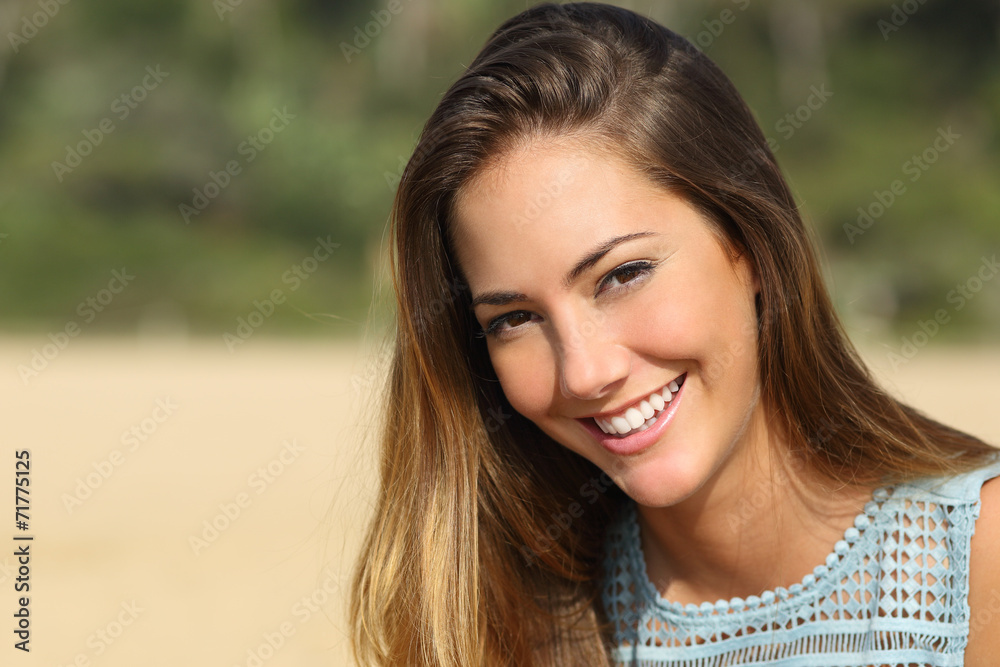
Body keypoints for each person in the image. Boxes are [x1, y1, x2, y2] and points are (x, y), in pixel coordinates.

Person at [349, 3, 1000, 665]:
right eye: (512, 318)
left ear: (748, 243)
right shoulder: (504, 623)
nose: (584, 372)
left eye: (622, 274)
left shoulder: (978, 567)